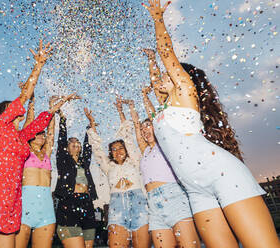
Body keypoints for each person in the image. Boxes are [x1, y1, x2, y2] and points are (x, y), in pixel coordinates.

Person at [142, 1, 280, 247]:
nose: (159, 80)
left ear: (179, 78)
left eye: (165, 74)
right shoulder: (163, 110)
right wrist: (151, 62)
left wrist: (157, 18)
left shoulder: (184, 94)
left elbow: (167, 53)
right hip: (196, 191)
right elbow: (155, 80)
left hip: (223, 175)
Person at [0, 40, 75, 248]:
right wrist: (38, 65)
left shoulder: (21, 137)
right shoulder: (0, 125)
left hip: (12, 201)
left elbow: (42, 120)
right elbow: (25, 96)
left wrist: (58, 105)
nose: (18, 111)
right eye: (13, 108)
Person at [125, 82, 200, 248]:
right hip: (152, 204)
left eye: (148, 127)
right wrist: (131, 108)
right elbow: (137, 128)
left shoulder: (165, 144)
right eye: (143, 129)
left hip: (174, 197)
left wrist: (144, 97)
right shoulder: (145, 151)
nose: (145, 131)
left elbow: (153, 116)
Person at [15, 95, 79, 248]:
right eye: (37, 133)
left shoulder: (46, 155)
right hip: (25, 205)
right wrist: (32, 101)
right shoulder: (24, 151)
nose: (41, 136)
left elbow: (51, 134)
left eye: (42, 134)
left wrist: (52, 106)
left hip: (46, 208)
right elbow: (27, 126)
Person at [85, 99, 150, 248]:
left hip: (139, 205)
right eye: (114, 149)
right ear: (111, 153)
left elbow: (127, 135)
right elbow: (96, 148)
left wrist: (120, 111)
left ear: (126, 150)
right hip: (117, 209)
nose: (118, 151)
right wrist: (92, 124)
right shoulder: (108, 167)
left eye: (120, 148)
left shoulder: (134, 161)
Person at [55, 110, 98, 248]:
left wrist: (90, 125)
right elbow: (61, 141)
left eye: (77, 142)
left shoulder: (84, 163)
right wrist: (62, 120)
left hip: (87, 204)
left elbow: (88, 145)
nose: (75, 144)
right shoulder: (63, 161)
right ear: (67, 148)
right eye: (71, 142)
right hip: (69, 203)